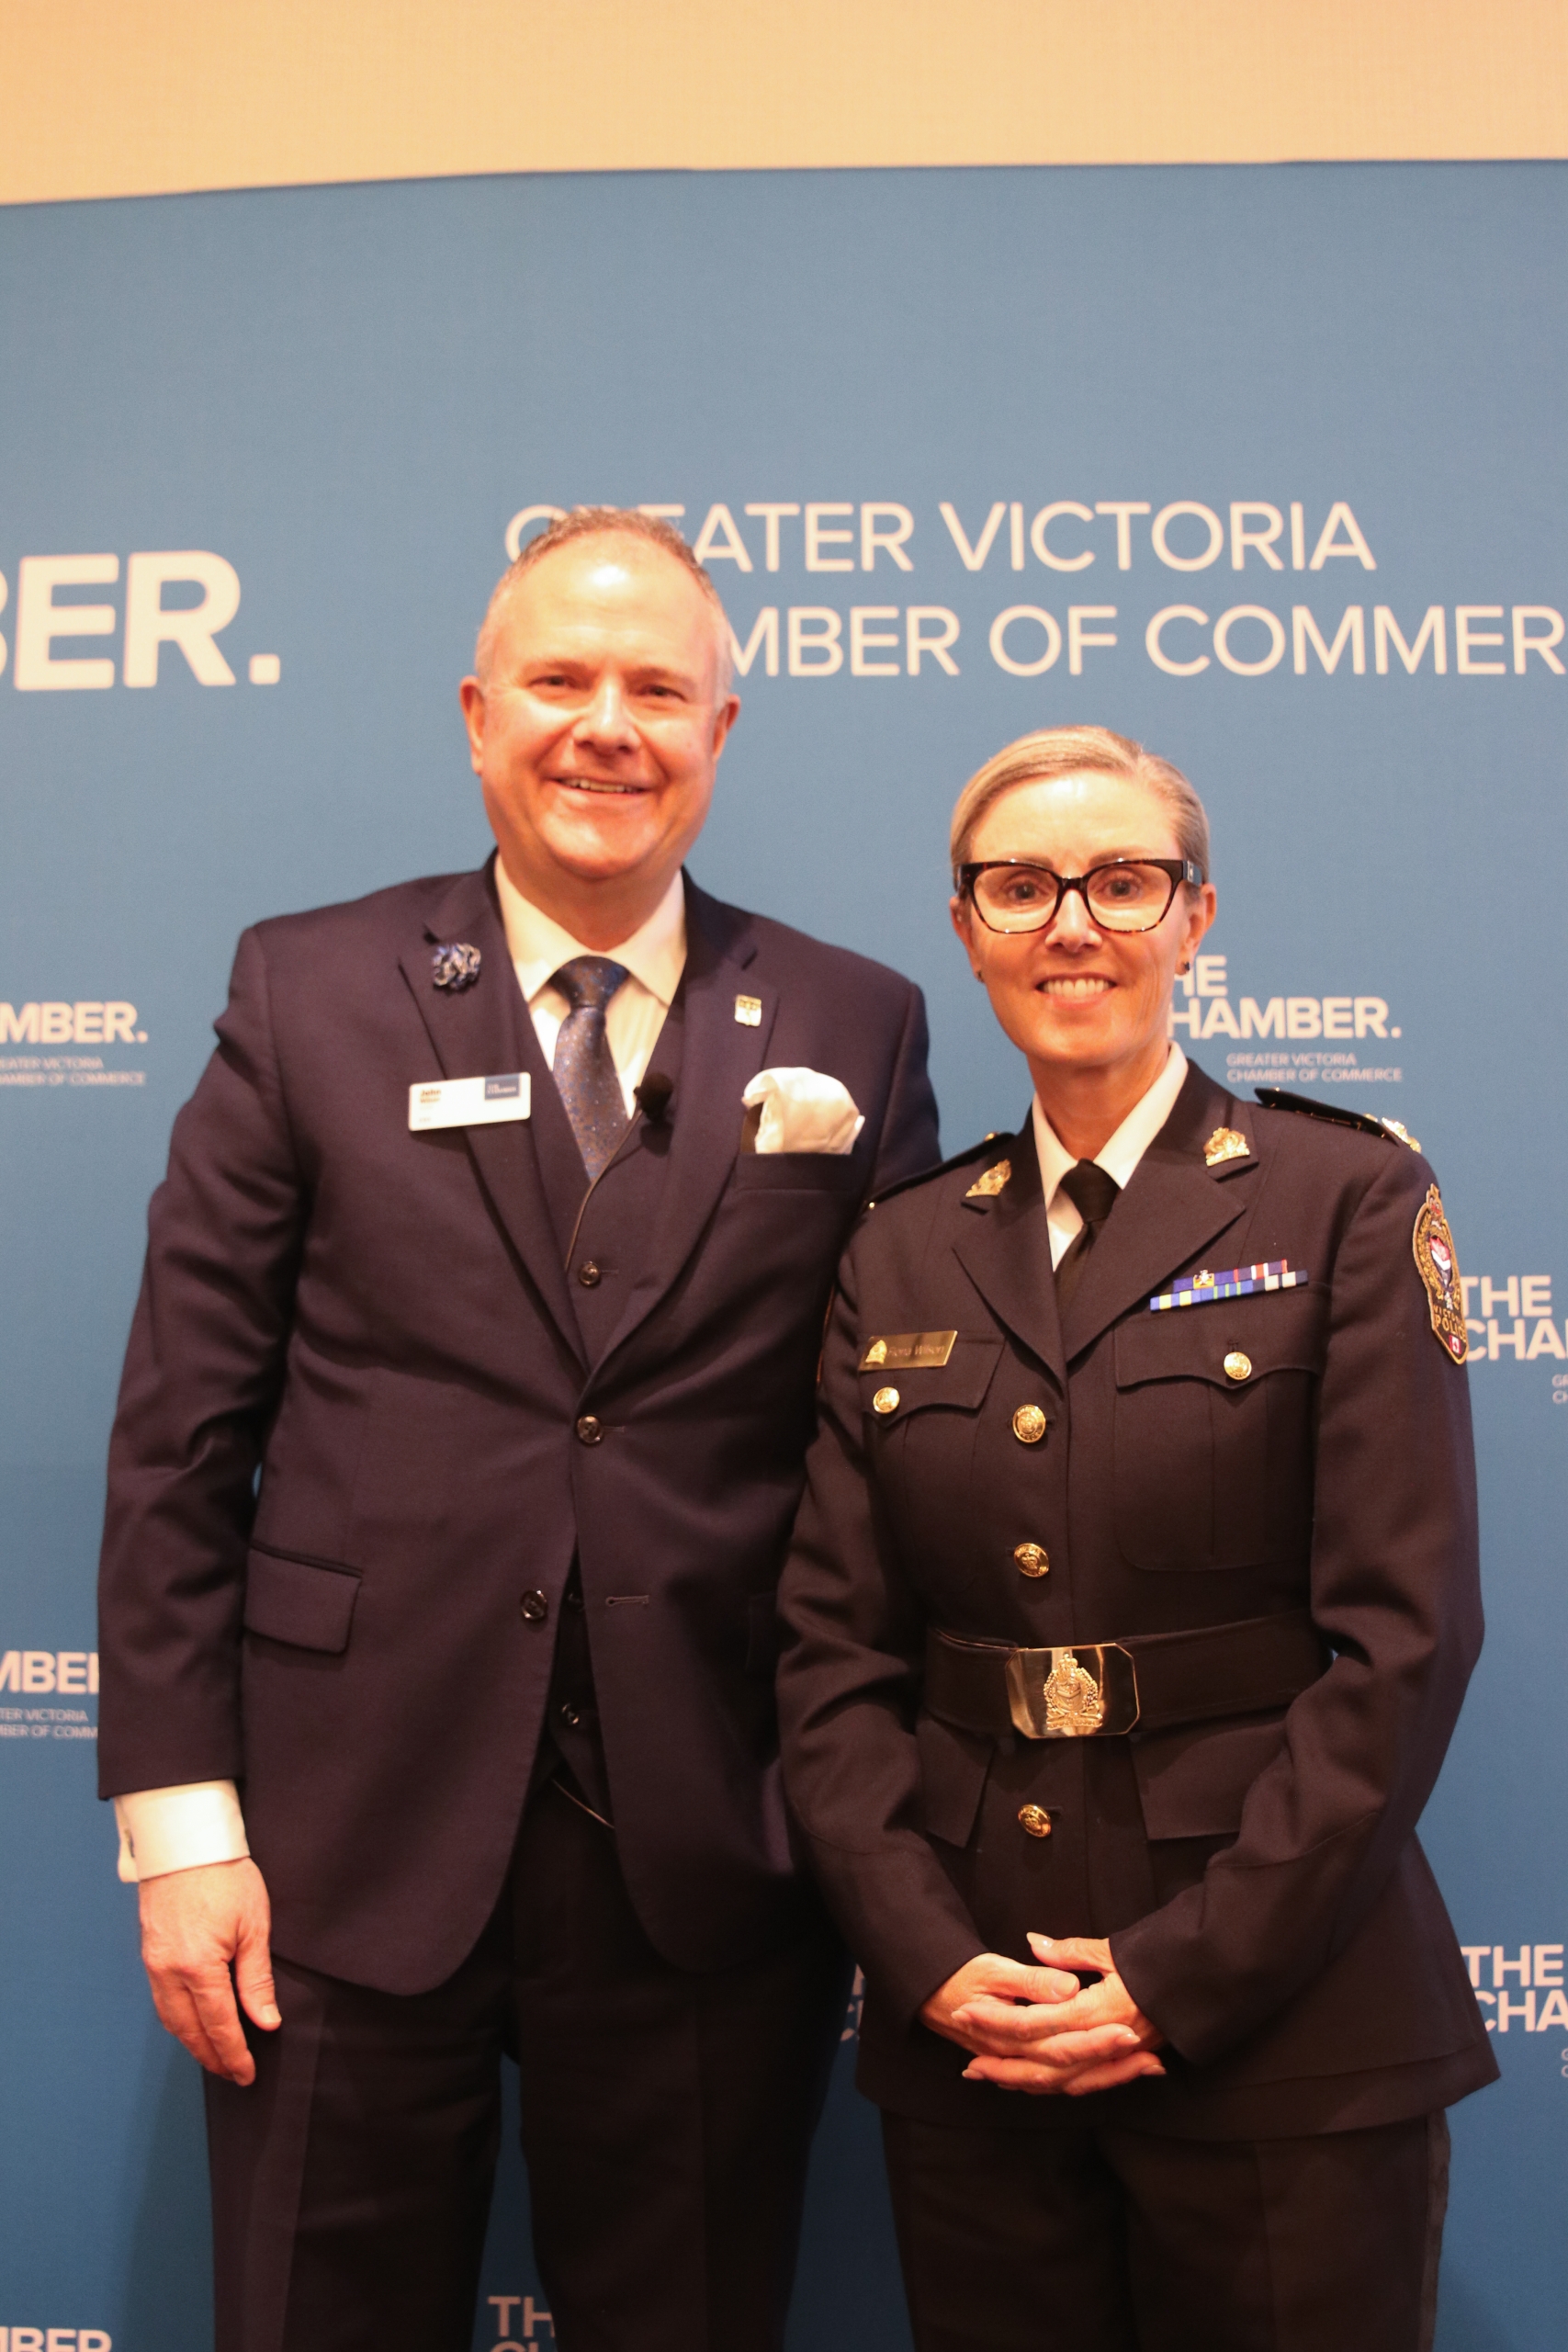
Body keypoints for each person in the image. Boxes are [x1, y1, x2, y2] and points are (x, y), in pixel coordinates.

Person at [96, 508, 941, 2352]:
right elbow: (180, 1433)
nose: (606, 726)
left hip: (711, 1848)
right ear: (478, 716)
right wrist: (179, 1829)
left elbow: (885, 1470)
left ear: (722, 729)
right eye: (560, 680)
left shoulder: (853, 1022)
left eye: (657, 688)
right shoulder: (306, 988)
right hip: (333, 1841)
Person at [776, 724, 1495, 2352]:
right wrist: (924, 1956)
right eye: (1020, 888)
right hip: (983, 2027)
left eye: (1121, 882)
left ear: (1195, 916)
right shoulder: (899, 1251)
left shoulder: (1343, 1200)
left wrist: (1187, 1973)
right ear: (966, 931)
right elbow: (830, 1660)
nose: (1072, 926)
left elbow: (1405, 1639)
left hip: (1284, 2021)